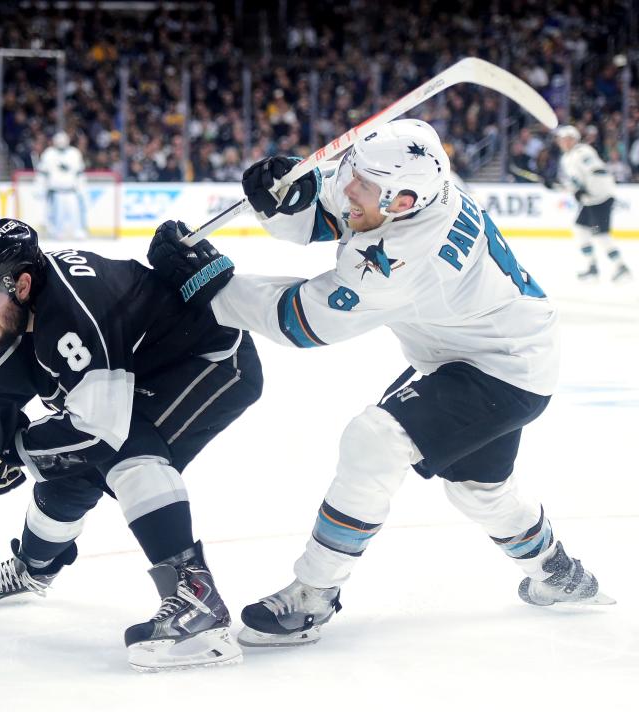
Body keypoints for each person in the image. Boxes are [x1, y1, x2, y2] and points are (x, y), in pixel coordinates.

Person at [147, 119, 613, 649]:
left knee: (375, 440)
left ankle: (315, 593)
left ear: (402, 199)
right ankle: (560, 573)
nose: (348, 187)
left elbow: (304, 322)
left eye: (362, 185)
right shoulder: (408, 191)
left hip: (504, 367)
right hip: (485, 349)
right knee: (480, 490)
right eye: (353, 172)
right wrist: (290, 199)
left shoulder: (414, 255)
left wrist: (210, 285)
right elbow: (341, 209)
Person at [0, 218, 263, 670]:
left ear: (21, 284)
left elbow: (103, 430)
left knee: (122, 450)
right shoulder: (3, 325)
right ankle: (33, 570)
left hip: (208, 361)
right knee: (70, 464)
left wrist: (16, 451)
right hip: (132, 377)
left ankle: (196, 598)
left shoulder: (73, 313)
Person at [554, 124, 631, 281]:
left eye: (567, 139)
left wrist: (588, 191)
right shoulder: (567, 158)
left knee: (601, 235)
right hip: (590, 200)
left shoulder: (582, 152)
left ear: (574, 140)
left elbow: (597, 173)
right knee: (580, 229)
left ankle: (621, 268)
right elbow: (576, 183)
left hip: (600, 198)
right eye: (561, 139)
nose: (564, 142)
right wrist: (556, 186)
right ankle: (592, 267)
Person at [36, 131, 87, 239]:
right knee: (55, 215)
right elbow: (42, 173)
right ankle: (55, 232)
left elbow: (80, 173)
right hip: (56, 192)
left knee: (75, 214)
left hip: (71, 191)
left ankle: (78, 231)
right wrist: (40, 188)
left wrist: (82, 188)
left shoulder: (74, 153)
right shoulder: (49, 153)